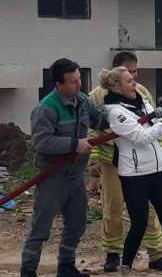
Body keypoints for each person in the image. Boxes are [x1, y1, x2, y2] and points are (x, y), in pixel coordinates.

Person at [98, 66, 162, 276]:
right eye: (128, 81)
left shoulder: (142, 102)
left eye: (133, 79)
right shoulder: (114, 112)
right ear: (116, 86)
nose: (134, 83)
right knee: (140, 222)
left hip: (158, 171)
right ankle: (125, 266)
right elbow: (141, 137)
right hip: (134, 176)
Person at [21, 59, 109, 277]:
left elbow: (100, 121)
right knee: (41, 227)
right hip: (53, 176)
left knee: (77, 223)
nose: (79, 85)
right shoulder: (46, 109)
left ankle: (66, 266)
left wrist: (124, 119)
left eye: (79, 80)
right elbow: (41, 142)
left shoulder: (82, 101)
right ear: (59, 84)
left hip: (75, 175)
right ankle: (28, 270)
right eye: (73, 82)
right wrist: (73, 144)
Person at [88, 52, 162, 272]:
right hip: (112, 161)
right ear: (117, 73)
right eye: (130, 72)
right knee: (112, 207)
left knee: (150, 210)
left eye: (136, 72)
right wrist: (94, 160)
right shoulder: (97, 97)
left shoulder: (142, 92)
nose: (135, 78)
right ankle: (112, 254)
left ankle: (156, 254)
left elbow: (156, 123)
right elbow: (91, 130)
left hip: (144, 164)